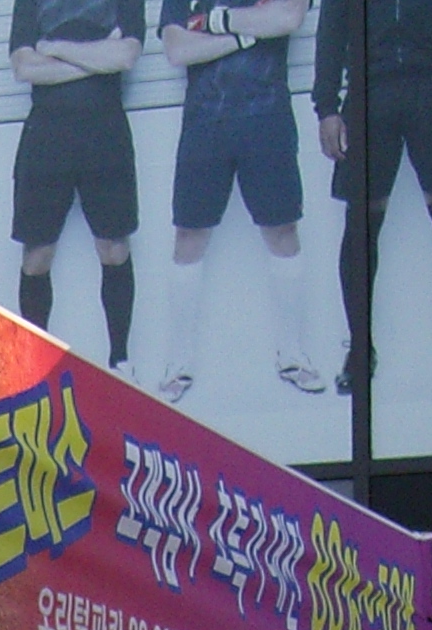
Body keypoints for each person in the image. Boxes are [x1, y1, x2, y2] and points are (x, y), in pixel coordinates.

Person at [314, 0, 432, 396]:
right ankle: (360, 348)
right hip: (368, 92)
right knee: (361, 225)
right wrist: (326, 107)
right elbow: (331, 28)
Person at [156, 2, 325, 402]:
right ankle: (179, 362)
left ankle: (293, 355)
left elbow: (288, 17)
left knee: (282, 232)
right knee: (189, 238)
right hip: (204, 122)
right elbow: (178, 49)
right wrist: (250, 34)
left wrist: (216, 24)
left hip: (268, 117)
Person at [9, 0, 145, 366]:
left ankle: (120, 363)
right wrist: (96, 58)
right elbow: (24, 68)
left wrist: (53, 49)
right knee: (36, 257)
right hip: (46, 134)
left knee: (114, 248)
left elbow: (125, 56)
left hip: (106, 131)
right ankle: (36, 366)